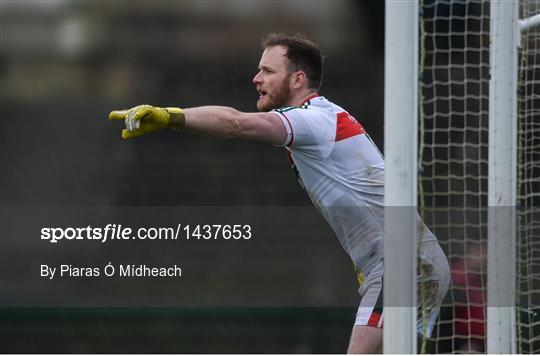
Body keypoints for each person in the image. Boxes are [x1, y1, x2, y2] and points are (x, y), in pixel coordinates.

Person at [109, 33, 450, 354]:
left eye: (267, 71)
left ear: (298, 79)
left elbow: (235, 123)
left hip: (405, 262)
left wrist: (171, 117)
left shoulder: (313, 120)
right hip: (406, 260)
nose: (256, 79)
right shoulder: (323, 118)